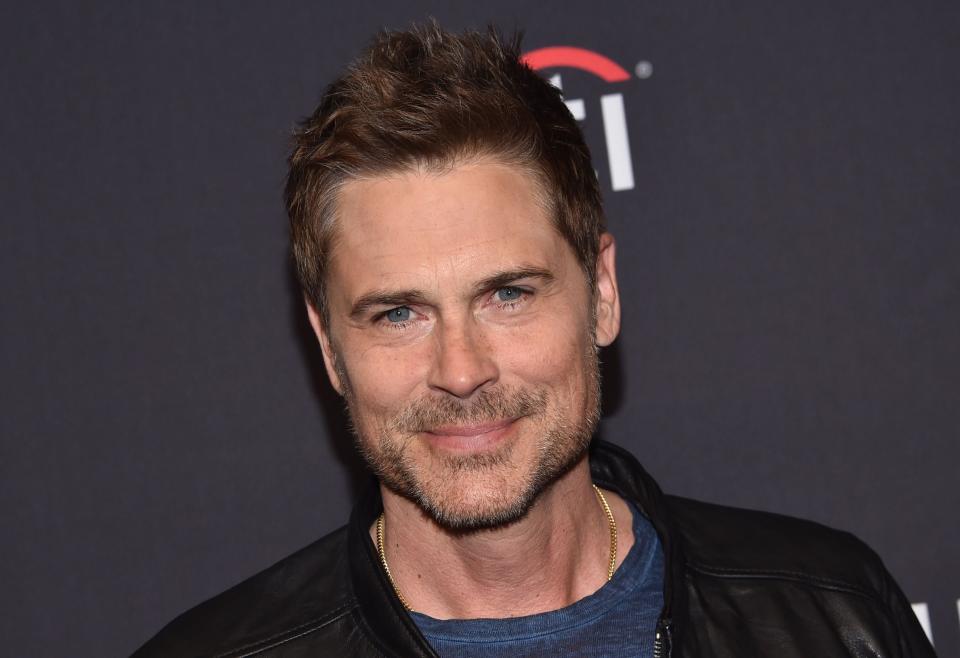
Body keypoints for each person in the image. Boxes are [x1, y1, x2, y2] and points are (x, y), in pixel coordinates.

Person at [134, 22, 935, 657]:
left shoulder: (833, 613)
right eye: (398, 315)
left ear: (603, 291)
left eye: (507, 294)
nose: (460, 371)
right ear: (328, 345)